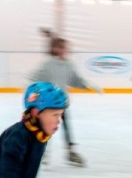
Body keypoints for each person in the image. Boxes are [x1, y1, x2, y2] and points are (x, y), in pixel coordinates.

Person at [27, 37, 103, 167]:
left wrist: (87, 84)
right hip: (47, 103)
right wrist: (29, 85)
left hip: (61, 102)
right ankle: (42, 151)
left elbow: (75, 80)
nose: (65, 50)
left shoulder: (68, 65)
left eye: (65, 48)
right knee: (46, 126)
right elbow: (36, 77)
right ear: (55, 48)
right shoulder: (48, 64)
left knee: (66, 127)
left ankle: (70, 152)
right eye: (62, 47)